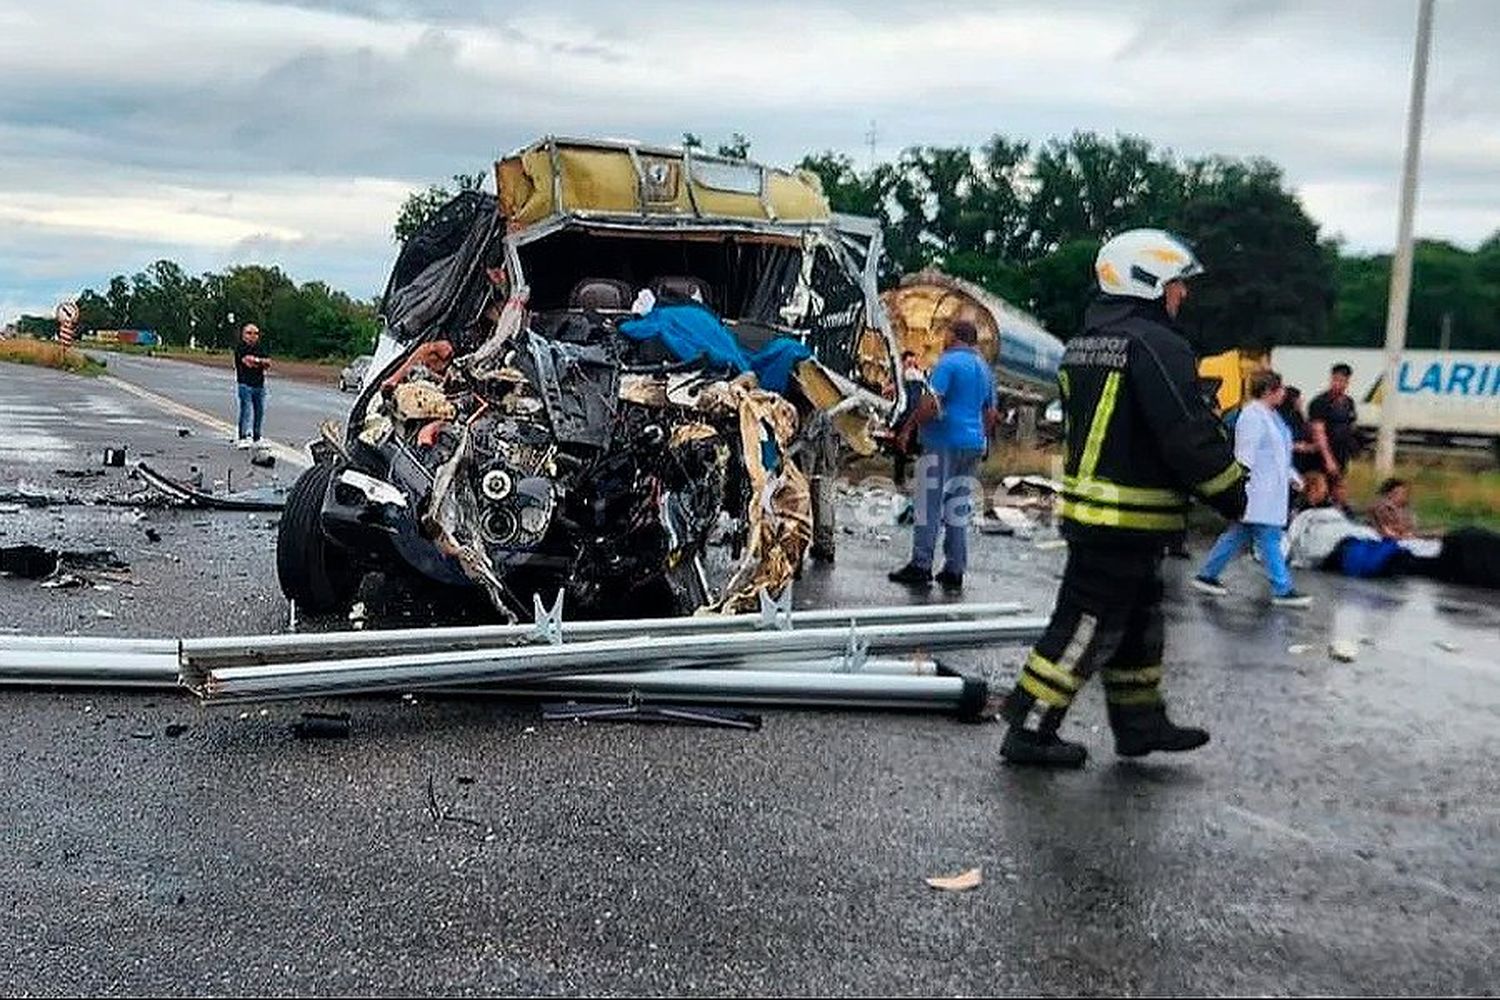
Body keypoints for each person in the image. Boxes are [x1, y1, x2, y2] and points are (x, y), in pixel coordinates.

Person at [998, 228, 1247, 768]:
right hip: (1125, 516)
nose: (1183, 296)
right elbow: (1185, 431)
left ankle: (1141, 724)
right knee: (1085, 625)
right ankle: (1029, 729)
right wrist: (1231, 490)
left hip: (1104, 511)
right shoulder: (1158, 345)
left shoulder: (1085, 343)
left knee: (1137, 622)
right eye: (1178, 285)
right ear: (1151, 281)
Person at [887, 320, 997, 593]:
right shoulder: (985, 369)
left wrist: (909, 427)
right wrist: (980, 438)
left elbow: (931, 403)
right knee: (958, 507)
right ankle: (954, 569)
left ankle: (921, 565)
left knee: (929, 504)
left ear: (954, 336)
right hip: (973, 444)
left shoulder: (948, 363)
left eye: (945, 333)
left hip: (942, 440)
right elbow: (991, 413)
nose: (943, 338)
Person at [1192, 370, 1312, 608]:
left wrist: (1291, 475)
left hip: (1269, 491)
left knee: (1239, 534)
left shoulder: (1272, 416)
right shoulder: (1252, 416)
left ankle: (1207, 575)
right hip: (1257, 490)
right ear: (1269, 391)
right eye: (1280, 389)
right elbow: (1245, 455)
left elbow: (1279, 455)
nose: (1283, 393)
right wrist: (1241, 485)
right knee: (1269, 537)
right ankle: (1282, 588)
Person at [1308, 363, 1359, 484]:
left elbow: (1350, 426)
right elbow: (1319, 432)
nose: (1338, 384)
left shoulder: (1349, 402)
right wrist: (1328, 459)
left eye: (1343, 381)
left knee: (1338, 487)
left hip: (1342, 454)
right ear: (1331, 379)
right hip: (1323, 456)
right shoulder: (1320, 402)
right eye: (1336, 380)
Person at [890, 350, 927, 487]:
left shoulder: (911, 375)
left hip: (909, 417)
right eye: (909, 362)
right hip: (911, 417)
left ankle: (902, 479)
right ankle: (905, 479)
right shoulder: (912, 376)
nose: (911, 364)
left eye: (913, 361)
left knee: (903, 450)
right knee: (908, 450)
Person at [233, 323, 271, 449]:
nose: (252, 336)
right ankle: (242, 437)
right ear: (243, 335)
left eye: (255, 333)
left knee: (259, 412)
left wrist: (257, 361)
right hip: (245, 384)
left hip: (259, 384)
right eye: (249, 333)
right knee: (246, 411)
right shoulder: (240, 348)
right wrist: (259, 362)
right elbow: (247, 362)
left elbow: (268, 363)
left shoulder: (260, 348)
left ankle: (257, 437)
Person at [1277, 386, 1323, 476]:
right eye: (1298, 398)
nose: (1301, 401)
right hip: (1289, 461)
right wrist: (1298, 446)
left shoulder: (1298, 416)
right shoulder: (1280, 418)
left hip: (1303, 461)